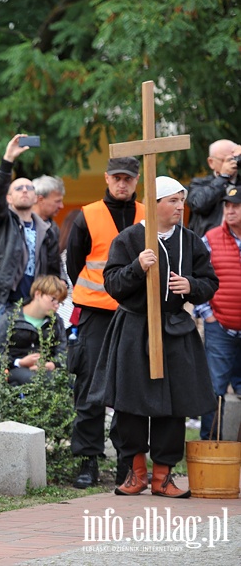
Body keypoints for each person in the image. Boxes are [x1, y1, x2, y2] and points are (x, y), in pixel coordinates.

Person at [89, 177, 218, 498]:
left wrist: (191, 285)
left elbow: (209, 281)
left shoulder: (190, 240)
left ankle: (163, 475)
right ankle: (136, 474)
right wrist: (136, 267)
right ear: (156, 203)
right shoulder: (129, 239)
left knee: (174, 406)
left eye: (181, 200)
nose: (180, 207)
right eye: (173, 200)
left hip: (175, 329)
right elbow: (113, 285)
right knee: (130, 404)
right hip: (134, 329)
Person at [65, 156, 143, 489]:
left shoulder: (147, 214)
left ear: (137, 181)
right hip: (96, 312)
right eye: (117, 178)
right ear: (107, 179)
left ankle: (129, 462)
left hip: (135, 312)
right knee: (89, 388)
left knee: (132, 388)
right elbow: (74, 264)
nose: (122, 184)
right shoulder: (88, 214)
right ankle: (88, 461)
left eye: (128, 179)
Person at [0, 134, 60, 373]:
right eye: (19, 188)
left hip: (34, 303)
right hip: (3, 300)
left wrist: (55, 296)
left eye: (29, 188)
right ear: (9, 198)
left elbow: (54, 270)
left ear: (36, 197)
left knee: (26, 363)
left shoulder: (48, 229)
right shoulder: (2, 221)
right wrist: (7, 161)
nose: (25, 191)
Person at [197, 187, 241, 440]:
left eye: (236, 205)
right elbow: (197, 276)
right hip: (220, 327)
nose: (230, 210)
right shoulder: (211, 238)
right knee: (214, 389)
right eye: (227, 205)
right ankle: (209, 445)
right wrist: (207, 314)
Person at [0, 275, 68, 385]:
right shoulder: (10, 318)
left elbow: (62, 354)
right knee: (34, 379)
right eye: (53, 299)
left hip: (46, 370)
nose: (56, 306)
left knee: (62, 380)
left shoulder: (57, 322)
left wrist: (51, 365)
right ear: (38, 294)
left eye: (59, 302)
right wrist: (20, 362)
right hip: (15, 369)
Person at [187, 139, 239, 236]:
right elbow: (198, 204)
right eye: (224, 160)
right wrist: (223, 177)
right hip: (208, 245)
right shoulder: (199, 183)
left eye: (233, 159)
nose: (230, 163)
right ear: (211, 162)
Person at [31, 175, 65, 239]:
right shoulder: (18, 225)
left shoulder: (54, 230)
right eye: (57, 201)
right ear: (40, 199)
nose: (61, 206)